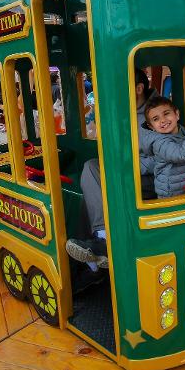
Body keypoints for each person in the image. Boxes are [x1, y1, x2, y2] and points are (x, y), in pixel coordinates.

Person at [66, 69, 157, 270]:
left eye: (121, 88)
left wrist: (130, 167)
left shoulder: (157, 112)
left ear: (139, 88)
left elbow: (164, 157)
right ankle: (99, 242)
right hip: (125, 172)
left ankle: (96, 254)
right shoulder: (126, 108)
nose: (116, 94)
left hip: (150, 178)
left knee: (92, 187)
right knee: (89, 173)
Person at [138, 96, 185, 198]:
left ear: (177, 115)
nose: (163, 120)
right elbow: (183, 154)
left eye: (166, 113)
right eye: (156, 119)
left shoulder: (184, 132)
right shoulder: (158, 143)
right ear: (152, 127)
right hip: (171, 195)